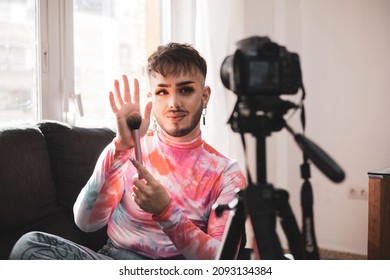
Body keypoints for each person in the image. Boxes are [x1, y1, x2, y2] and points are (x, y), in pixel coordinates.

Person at [9, 42, 246, 260]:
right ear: (151, 98)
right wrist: (120, 146)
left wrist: (166, 211)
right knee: (29, 246)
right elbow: (86, 222)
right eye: (162, 92)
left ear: (204, 96)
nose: (173, 102)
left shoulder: (226, 173)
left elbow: (223, 262)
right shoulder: (130, 150)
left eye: (185, 90)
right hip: (111, 261)